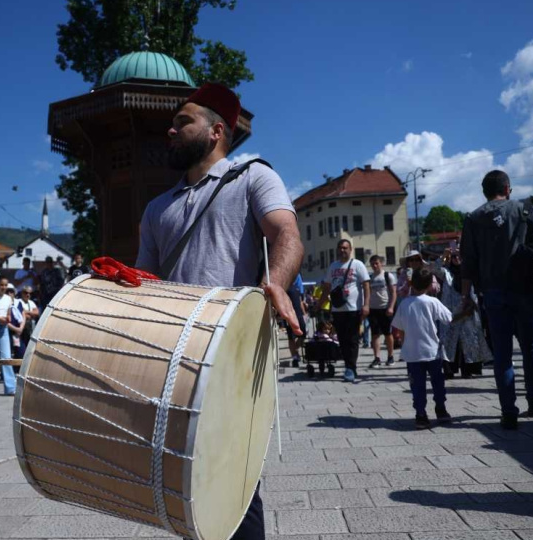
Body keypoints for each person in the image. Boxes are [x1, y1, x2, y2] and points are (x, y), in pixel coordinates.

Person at [136, 82, 303, 540]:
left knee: (233, 485)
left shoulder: (253, 176)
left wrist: (278, 284)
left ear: (216, 132)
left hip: (229, 355)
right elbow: (145, 284)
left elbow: (286, 234)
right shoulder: (156, 208)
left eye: (182, 121)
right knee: (181, 482)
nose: (171, 129)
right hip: (170, 358)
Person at [460, 170, 533, 429]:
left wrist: (465, 296)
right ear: (508, 188)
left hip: (492, 291)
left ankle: (508, 411)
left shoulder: (473, 218)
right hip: (525, 288)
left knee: (502, 353)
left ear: (485, 192)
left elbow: (468, 261)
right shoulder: (524, 210)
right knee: (531, 346)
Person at [391, 268, 454, 429]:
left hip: (412, 354)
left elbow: (398, 328)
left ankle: (420, 414)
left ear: (412, 283)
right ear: (428, 285)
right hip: (432, 351)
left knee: (417, 386)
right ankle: (441, 409)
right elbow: (449, 318)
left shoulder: (405, 304)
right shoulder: (433, 302)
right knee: (438, 383)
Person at [319, 239, 370, 382]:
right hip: (337, 308)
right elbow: (327, 287)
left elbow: (366, 286)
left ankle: (351, 367)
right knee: (341, 339)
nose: (342, 250)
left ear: (350, 249)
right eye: (340, 248)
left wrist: (366, 305)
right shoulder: (333, 266)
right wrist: (319, 303)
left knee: (352, 339)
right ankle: (349, 366)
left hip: (354, 308)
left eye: (345, 248)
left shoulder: (357, 265)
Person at [436, 248, 491, 379]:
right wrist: (443, 256)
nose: (457, 259)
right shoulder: (446, 273)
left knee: (469, 341)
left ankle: (468, 370)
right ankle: (449, 370)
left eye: (459, 256)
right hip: (450, 313)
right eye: (454, 257)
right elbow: (435, 268)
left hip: (468, 312)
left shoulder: (471, 273)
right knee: (448, 341)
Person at [368, 255, 397, 368]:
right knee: (375, 334)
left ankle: (390, 357)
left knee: (388, 333)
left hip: (385, 308)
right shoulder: (370, 277)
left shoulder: (387, 276)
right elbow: (368, 293)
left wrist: (391, 307)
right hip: (373, 309)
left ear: (381, 263)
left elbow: (393, 293)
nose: (375, 266)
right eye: (372, 264)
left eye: (377, 263)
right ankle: (377, 358)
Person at [286, 274, 307, 367]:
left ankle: (296, 350)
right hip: (288, 314)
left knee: (303, 334)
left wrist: (304, 313)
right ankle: (294, 356)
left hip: (298, 313)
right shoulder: (284, 286)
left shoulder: (297, 282)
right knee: (291, 336)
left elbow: (300, 301)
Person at [14, 286, 40, 358]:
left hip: (29, 329)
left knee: (29, 347)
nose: (28, 295)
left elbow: (37, 313)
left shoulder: (31, 302)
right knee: (19, 349)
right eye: (26, 293)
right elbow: (19, 313)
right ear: (22, 293)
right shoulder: (18, 301)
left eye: (29, 293)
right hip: (19, 329)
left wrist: (26, 312)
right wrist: (29, 314)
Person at [6, 284, 26, 358]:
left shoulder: (18, 302)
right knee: (8, 355)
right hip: (7, 332)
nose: (9, 293)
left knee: (21, 353)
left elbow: (23, 315)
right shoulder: (4, 304)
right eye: (7, 291)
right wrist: (16, 329)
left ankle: (18, 369)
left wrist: (21, 328)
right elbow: (4, 320)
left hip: (18, 333)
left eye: (11, 291)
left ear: (14, 293)